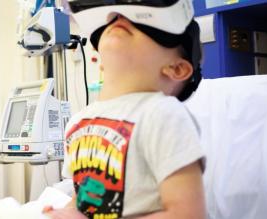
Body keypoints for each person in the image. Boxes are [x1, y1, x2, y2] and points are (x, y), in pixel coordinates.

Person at [44, 0, 206, 218]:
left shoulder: (162, 114)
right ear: (100, 57)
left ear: (176, 68)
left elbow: (187, 214)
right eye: (114, 17)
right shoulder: (78, 123)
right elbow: (82, 198)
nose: (119, 16)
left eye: (140, 20)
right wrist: (65, 212)